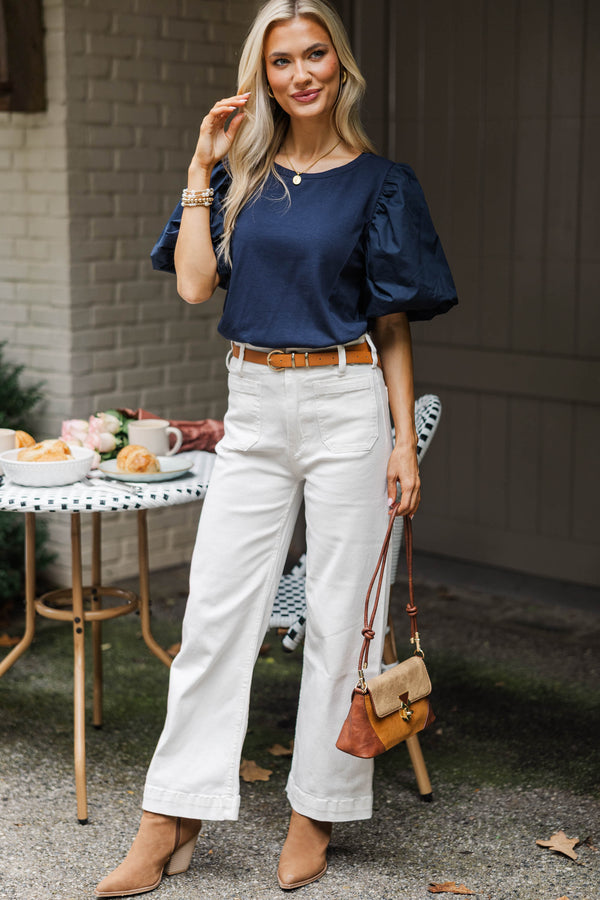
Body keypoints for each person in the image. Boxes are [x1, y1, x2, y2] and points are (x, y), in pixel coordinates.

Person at [95, 0, 457, 895]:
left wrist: (401, 444)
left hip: (346, 399)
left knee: (345, 618)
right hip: (253, 401)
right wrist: (198, 168)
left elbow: (394, 324)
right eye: (282, 59)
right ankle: (169, 815)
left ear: (339, 66)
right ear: (263, 73)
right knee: (216, 614)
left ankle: (315, 810)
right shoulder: (241, 177)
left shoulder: (381, 183)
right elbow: (190, 286)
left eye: (315, 55)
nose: (301, 73)